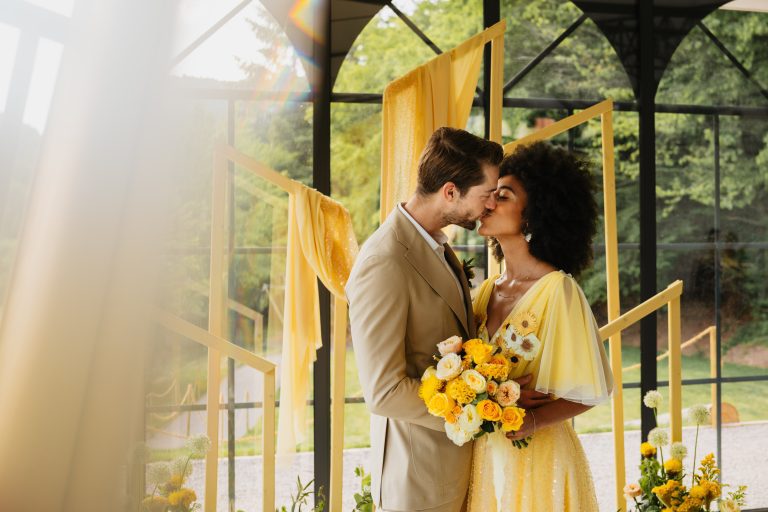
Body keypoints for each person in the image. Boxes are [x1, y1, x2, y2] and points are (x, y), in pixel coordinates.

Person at [347, 127, 549, 512]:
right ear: (451, 191)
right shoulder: (384, 261)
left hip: (453, 467)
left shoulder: (435, 242)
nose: (490, 204)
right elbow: (384, 391)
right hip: (420, 475)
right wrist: (488, 409)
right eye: (486, 193)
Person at [467, 141, 614, 511]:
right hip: (485, 457)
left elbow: (591, 391)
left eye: (503, 196)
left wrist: (532, 420)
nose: (488, 203)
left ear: (531, 217)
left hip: (540, 460)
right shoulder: (486, 291)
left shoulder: (558, 290)